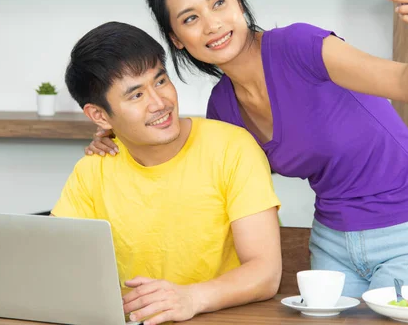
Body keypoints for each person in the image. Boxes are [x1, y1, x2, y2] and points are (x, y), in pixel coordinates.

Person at [85, 0, 408, 298]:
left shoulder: (299, 46)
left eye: (218, 3)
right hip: (333, 239)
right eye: (190, 18)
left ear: (239, 2)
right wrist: (124, 131)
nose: (212, 24)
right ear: (176, 40)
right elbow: (204, 164)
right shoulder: (224, 106)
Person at [50, 21, 282, 325]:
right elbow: (56, 265)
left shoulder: (233, 148)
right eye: (136, 96)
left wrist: (191, 298)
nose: (160, 104)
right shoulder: (94, 167)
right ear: (99, 115)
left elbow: (265, 273)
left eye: (160, 81)